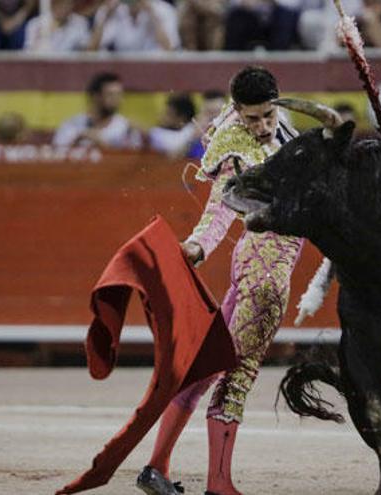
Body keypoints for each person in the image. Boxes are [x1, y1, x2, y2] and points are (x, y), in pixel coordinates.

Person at [135, 66, 301, 495]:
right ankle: (219, 484)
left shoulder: (282, 122)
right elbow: (220, 208)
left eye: (268, 116)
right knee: (238, 373)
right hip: (266, 271)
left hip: (257, 265)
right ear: (239, 114)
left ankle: (155, 467)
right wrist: (196, 245)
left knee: (207, 367)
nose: (263, 127)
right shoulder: (233, 147)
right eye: (253, 120)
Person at [52, 71, 143, 150]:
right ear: (96, 97)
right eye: (110, 95)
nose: (116, 100)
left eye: (119, 95)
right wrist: (77, 140)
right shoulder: (72, 125)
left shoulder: (127, 128)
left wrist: (103, 145)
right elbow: (55, 160)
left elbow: (132, 164)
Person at [89, 0, 179, 51]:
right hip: (121, 70)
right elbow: (91, 50)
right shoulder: (110, 10)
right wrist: (106, 17)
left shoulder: (164, 9)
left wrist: (152, 14)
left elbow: (169, 49)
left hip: (155, 70)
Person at [23, 0, 90, 51]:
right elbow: (28, 54)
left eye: (67, 4)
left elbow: (86, 50)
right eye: (59, 4)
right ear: (52, 4)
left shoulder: (81, 22)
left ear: (72, 4)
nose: (64, 8)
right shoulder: (35, 24)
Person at [147, 92, 197, 157]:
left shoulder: (191, 130)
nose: (162, 117)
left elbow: (175, 145)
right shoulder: (167, 131)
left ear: (181, 118)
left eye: (168, 114)